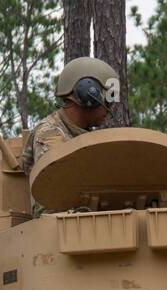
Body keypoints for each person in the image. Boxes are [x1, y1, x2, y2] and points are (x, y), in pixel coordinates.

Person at [21, 57, 119, 215]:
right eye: (108, 102)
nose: (110, 110)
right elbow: (56, 197)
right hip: (59, 230)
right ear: (88, 95)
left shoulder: (83, 135)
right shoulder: (49, 134)